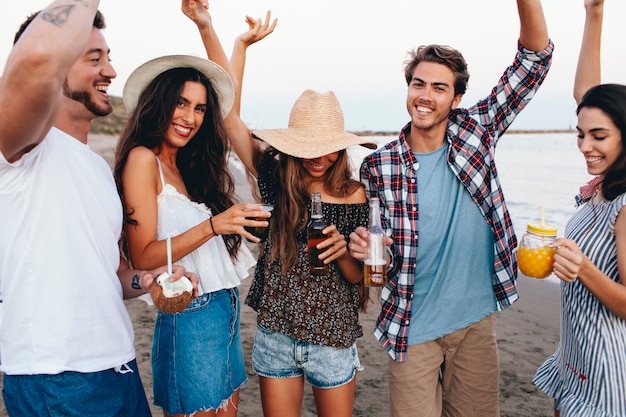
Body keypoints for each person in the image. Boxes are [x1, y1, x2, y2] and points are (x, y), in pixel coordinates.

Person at [347, 1, 554, 416]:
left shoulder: (476, 132)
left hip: (476, 323)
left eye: (439, 88)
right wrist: (365, 247)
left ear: (456, 97)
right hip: (411, 325)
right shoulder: (378, 165)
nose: (425, 96)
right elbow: (379, 257)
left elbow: (533, 62)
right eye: (418, 84)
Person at [0, 2, 195, 416]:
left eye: (109, 58)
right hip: (55, 378)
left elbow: (112, 276)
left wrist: (151, 280)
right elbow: (35, 58)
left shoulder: (95, 167)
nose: (110, 71)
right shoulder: (20, 150)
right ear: (57, 67)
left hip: (118, 367)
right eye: (95, 58)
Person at [184, 6, 379, 417]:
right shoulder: (274, 176)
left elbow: (355, 277)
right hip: (277, 332)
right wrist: (222, 35)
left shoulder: (355, 194)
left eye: (327, 146)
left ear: (341, 145)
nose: (318, 157)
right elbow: (228, 111)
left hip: (333, 337)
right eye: (308, 147)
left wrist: (343, 248)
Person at [112, 1, 268, 416]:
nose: (191, 117)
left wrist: (220, 35)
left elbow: (229, 104)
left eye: (199, 108)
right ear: (160, 103)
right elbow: (143, 254)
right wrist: (215, 225)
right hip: (190, 318)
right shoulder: (143, 160)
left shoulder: (189, 167)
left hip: (225, 310)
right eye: (181, 103)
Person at [533, 1, 626, 415]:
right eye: (580, 134)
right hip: (576, 355)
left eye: (599, 136)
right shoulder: (602, 187)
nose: (585, 146)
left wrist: (583, 268)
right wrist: (594, 15)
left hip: (607, 366)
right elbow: (587, 97)